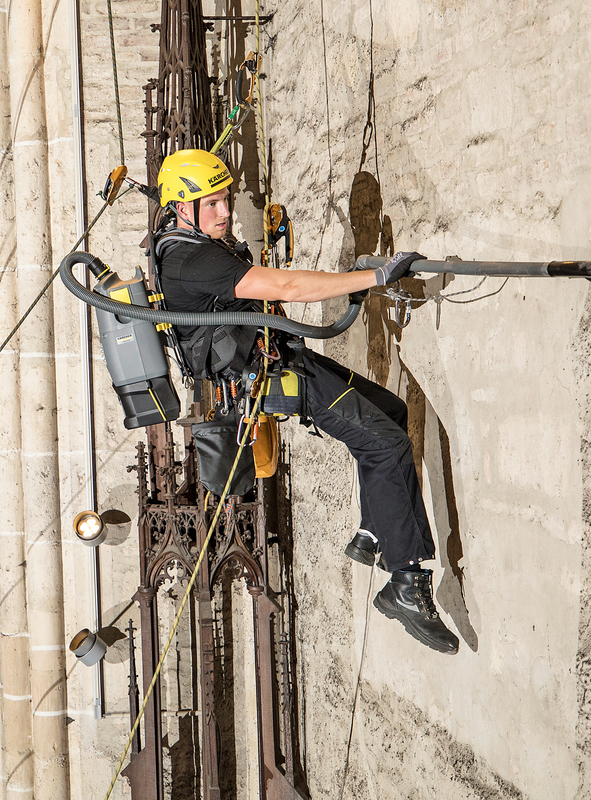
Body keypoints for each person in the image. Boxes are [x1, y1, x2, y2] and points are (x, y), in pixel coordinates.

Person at [153, 148, 458, 655]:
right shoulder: (193, 258)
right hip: (270, 373)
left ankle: (374, 533)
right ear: (182, 206)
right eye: (213, 203)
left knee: (390, 413)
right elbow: (290, 287)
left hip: (276, 354)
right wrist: (374, 278)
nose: (226, 211)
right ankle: (405, 584)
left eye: (226, 198)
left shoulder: (185, 241)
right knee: (386, 445)